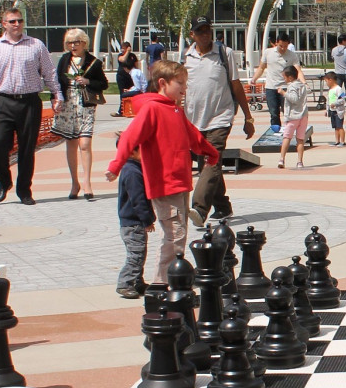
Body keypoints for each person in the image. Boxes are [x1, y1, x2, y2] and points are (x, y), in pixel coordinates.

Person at [106, 60, 220, 285]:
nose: (184, 89)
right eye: (180, 84)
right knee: (174, 236)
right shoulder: (152, 109)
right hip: (165, 183)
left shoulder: (175, 109)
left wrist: (211, 153)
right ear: (162, 83)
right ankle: (163, 284)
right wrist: (116, 166)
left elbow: (193, 136)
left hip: (180, 182)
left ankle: (170, 281)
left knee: (178, 235)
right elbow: (130, 138)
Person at [0, 7, 64, 205]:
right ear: (4, 24)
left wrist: (56, 94)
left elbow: (49, 72)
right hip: (4, 101)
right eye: (12, 21)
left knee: (27, 148)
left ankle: (24, 190)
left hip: (30, 102)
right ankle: (4, 182)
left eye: (20, 20)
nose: (17, 24)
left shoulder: (36, 45)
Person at [182, 16, 255, 226]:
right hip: (193, 121)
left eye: (208, 30)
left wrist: (247, 117)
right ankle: (223, 207)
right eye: (200, 31)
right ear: (192, 35)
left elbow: (236, 84)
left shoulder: (225, 53)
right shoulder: (185, 57)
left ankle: (199, 209)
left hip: (220, 117)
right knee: (206, 163)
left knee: (211, 160)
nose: (205, 34)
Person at [52, 28, 108, 201]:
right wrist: (55, 99)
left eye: (77, 42)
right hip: (68, 104)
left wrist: (88, 81)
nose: (73, 46)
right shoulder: (64, 60)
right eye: (70, 43)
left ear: (84, 43)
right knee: (71, 142)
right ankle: (74, 182)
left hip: (86, 105)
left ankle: (87, 183)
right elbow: (57, 81)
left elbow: (104, 83)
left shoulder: (93, 62)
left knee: (85, 143)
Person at [115, 141, 155, 299]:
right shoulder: (132, 172)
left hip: (132, 223)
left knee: (140, 253)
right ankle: (125, 283)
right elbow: (138, 200)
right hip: (133, 223)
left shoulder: (132, 168)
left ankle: (137, 281)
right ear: (132, 152)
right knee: (136, 255)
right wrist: (147, 219)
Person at [250, 34, 303, 131]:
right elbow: (261, 67)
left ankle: (289, 131)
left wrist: (303, 82)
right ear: (276, 43)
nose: (283, 48)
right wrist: (254, 78)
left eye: (286, 46)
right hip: (271, 87)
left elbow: (298, 70)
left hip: (286, 87)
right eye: (281, 46)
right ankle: (275, 130)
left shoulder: (292, 55)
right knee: (273, 112)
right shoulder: (268, 52)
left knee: (287, 111)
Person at [277, 64, 309, 169]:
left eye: (284, 77)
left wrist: (283, 93)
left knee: (287, 137)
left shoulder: (292, 86)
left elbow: (294, 99)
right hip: (303, 115)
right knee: (300, 139)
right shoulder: (302, 86)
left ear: (290, 77)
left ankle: (282, 159)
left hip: (293, 116)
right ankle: (300, 161)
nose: (284, 79)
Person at [324, 71, 346, 146]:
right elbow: (328, 101)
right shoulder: (330, 90)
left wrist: (335, 104)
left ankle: (342, 142)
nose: (326, 83)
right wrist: (327, 110)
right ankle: (337, 141)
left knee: (340, 126)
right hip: (332, 111)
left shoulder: (338, 89)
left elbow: (343, 99)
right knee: (335, 127)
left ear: (330, 80)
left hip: (338, 111)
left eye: (326, 81)